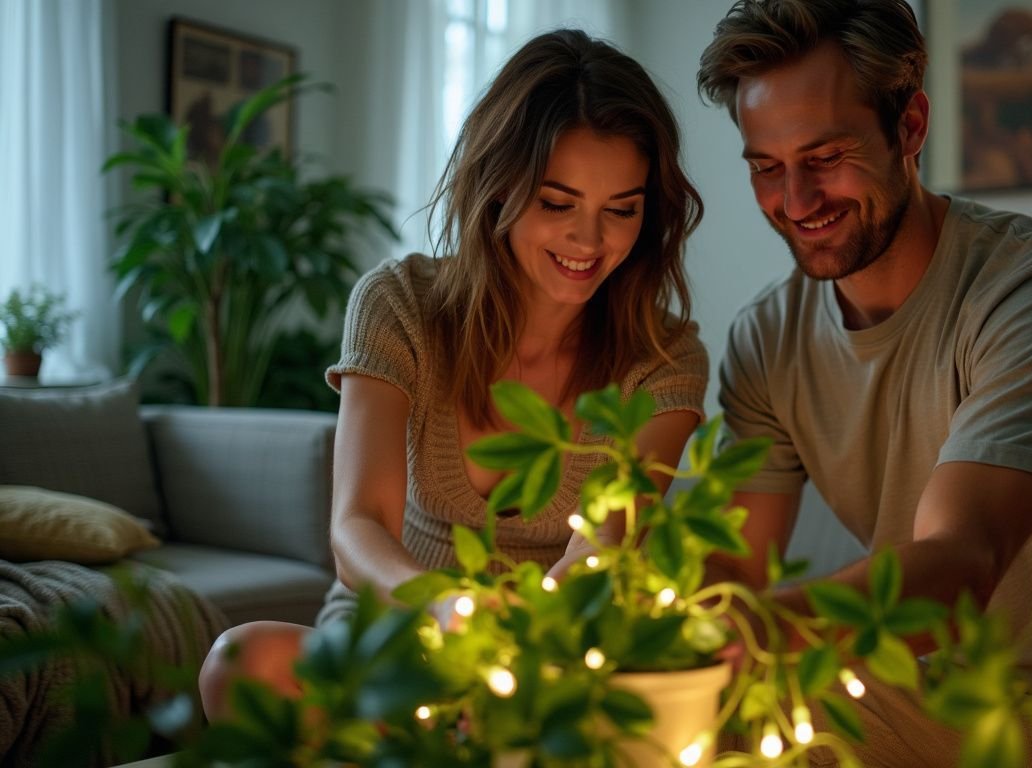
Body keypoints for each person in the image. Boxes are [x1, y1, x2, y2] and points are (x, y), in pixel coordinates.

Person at [696, 1, 1032, 765]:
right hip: (937, 699)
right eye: (766, 167)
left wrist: (766, 628)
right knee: (718, 728)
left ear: (910, 127)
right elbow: (736, 568)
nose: (795, 202)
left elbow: (962, 560)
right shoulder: (765, 342)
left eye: (826, 155)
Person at [199, 28, 709, 720]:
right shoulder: (398, 306)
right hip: (391, 638)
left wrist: (511, 649)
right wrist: (442, 607)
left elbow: (601, 551)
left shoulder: (664, 355)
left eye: (621, 210)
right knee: (243, 662)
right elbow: (358, 531)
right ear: (499, 188)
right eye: (558, 203)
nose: (590, 242)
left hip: (548, 654)